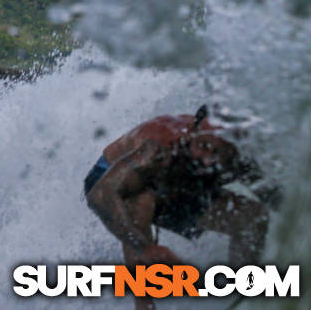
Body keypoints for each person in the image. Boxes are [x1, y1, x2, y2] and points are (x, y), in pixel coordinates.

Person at [83, 105, 281, 309]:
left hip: (174, 189)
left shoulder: (236, 161)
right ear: (192, 133)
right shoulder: (158, 148)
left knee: (250, 216)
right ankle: (144, 304)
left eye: (217, 153)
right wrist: (146, 248)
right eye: (203, 146)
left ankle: (238, 299)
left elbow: (275, 198)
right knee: (141, 201)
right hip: (110, 181)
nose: (207, 160)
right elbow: (101, 194)